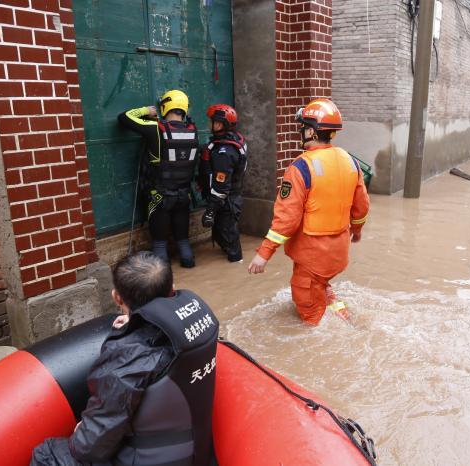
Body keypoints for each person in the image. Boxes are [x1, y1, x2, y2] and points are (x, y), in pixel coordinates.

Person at [31, 252, 219, 466]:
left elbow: (90, 447)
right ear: (172, 289)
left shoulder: (128, 357)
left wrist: (79, 432)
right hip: (198, 454)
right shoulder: (200, 325)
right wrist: (134, 323)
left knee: (46, 453)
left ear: (116, 297)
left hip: (149, 460)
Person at [247, 98, 370, 325]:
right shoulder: (351, 162)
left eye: (303, 127)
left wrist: (264, 253)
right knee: (319, 283)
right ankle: (339, 311)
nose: (301, 131)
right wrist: (357, 231)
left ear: (312, 132)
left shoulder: (301, 167)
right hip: (338, 252)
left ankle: (325, 330)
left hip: (312, 254)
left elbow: (287, 219)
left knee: (306, 304)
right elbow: (361, 207)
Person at [118, 90, 199, 268]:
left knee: (160, 244)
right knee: (184, 242)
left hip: (160, 197)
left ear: (165, 106)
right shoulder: (193, 130)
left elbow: (124, 117)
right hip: (184, 196)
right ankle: (188, 264)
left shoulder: (156, 128)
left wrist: (146, 111)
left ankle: (163, 279)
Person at [199, 104, 248, 262]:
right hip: (232, 196)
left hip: (226, 201)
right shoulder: (234, 139)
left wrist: (210, 211)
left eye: (212, 121)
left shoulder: (224, 153)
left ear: (220, 124)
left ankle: (237, 266)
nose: (209, 124)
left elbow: (221, 186)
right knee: (223, 234)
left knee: (229, 237)